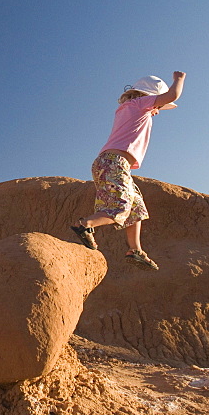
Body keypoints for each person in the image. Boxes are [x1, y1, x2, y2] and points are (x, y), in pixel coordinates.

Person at [71, 71, 186, 270]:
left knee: (136, 206)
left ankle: (136, 250)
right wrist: (179, 79)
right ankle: (86, 225)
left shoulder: (128, 108)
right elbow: (172, 96)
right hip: (114, 162)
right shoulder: (139, 105)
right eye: (158, 105)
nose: (158, 110)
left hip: (110, 163)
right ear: (149, 97)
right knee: (120, 207)